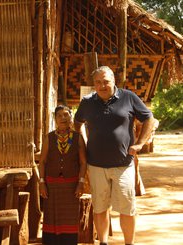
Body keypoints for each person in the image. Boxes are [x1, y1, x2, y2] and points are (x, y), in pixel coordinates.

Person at [74, 66, 155, 245]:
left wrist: (140, 143)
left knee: (127, 208)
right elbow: (77, 122)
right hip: (95, 165)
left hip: (123, 165)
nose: (102, 85)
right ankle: (103, 242)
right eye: (98, 82)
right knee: (100, 208)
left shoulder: (129, 97)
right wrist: (83, 142)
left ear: (113, 81)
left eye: (106, 81)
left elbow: (149, 118)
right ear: (94, 84)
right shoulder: (87, 102)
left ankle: (129, 243)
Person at [39, 105, 87, 245]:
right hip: (51, 185)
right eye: (59, 115)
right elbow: (42, 162)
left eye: (66, 115)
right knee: (51, 217)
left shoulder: (77, 138)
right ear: (55, 119)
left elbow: (83, 163)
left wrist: (81, 182)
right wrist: (42, 182)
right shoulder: (49, 138)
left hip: (71, 185)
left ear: (71, 118)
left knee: (69, 218)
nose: (63, 118)